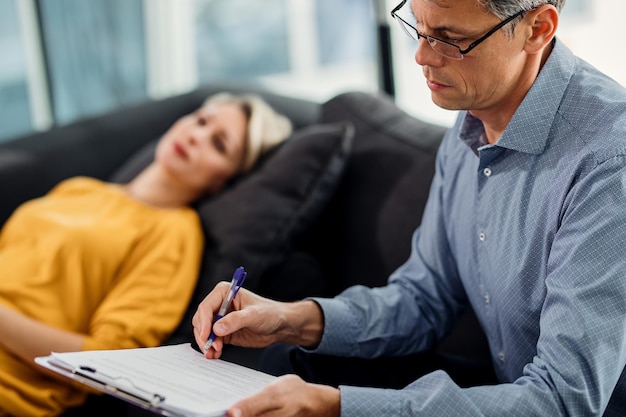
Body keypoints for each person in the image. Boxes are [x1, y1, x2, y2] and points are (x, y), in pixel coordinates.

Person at [192, 0, 626, 416]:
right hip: (510, 389)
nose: (422, 55)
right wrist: (287, 318)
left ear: (538, 28)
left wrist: (337, 408)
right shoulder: (474, 113)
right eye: (417, 25)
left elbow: (563, 402)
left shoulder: (608, 163)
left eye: (449, 37)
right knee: (290, 361)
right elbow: (424, 299)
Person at [0, 92, 292, 417]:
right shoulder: (80, 189)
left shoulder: (174, 234)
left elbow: (106, 361)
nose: (196, 136)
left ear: (225, 182)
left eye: (219, 144)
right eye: (201, 120)